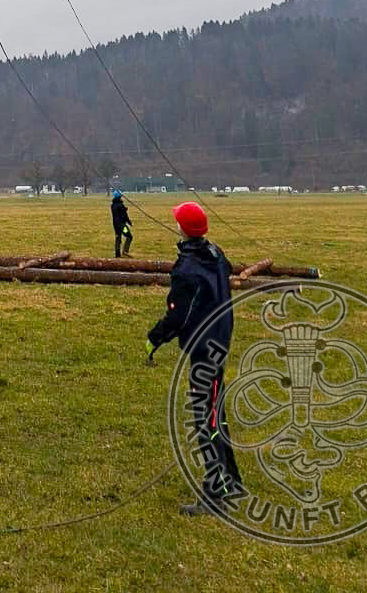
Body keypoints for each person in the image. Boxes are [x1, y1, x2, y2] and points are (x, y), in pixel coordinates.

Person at [147, 200, 244, 516]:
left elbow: (179, 316)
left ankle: (216, 495)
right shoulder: (215, 254)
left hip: (205, 350)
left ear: (183, 228)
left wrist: (156, 337)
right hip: (219, 342)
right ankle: (232, 482)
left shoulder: (188, 269)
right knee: (216, 414)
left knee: (206, 422)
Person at [111, 188, 133, 257]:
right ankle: (125, 251)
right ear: (120, 196)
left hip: (115, 226)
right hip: (122, 226)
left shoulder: (112, 205)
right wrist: (129, 222)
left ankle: (117, 254)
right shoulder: (121, 205)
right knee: (129, 236)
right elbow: (125, 216)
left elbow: (118, 210)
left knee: (118, 237)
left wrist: (124, 208)